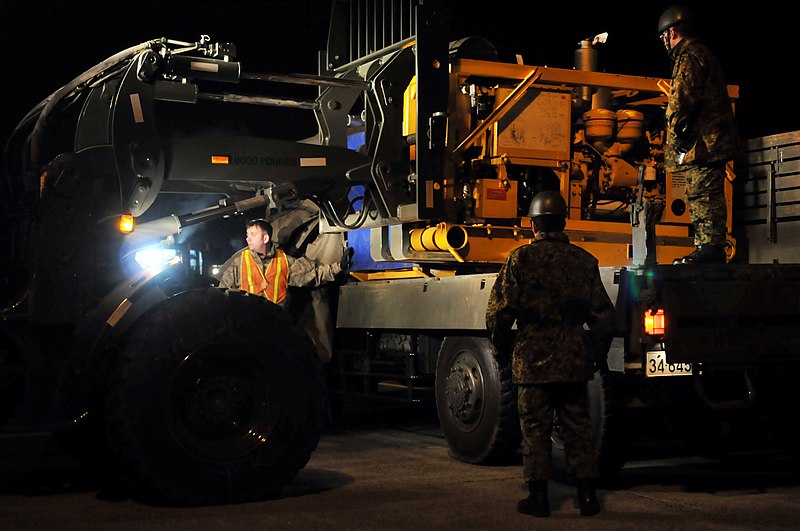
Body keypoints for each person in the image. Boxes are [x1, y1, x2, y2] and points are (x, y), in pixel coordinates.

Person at [485, 190, 615, 518]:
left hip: (531, 361)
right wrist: (596, 354)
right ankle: (588, 498)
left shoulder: (519, 259)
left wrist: (501, 349)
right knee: (578, 428)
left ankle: (539, 498)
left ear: (533, 226)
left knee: (535, 430)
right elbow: (602, 316)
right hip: (572, 360)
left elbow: (499, 313)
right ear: (563, 222)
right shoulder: (584, 261)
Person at [658, 5, 744, 264]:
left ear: (672, 32)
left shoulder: (688, 57)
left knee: (701, 193)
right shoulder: (703, 54)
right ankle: (710, 247)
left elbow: (681, 102)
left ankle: (709, 249)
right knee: (708, 194)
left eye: (663, 37)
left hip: (703, 144)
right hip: (712, 141)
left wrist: (678, 140)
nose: (663, 42)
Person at [217, 218, 350, 315]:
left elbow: (313, 275)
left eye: (252, 235)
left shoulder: (285, 261)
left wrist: (339, 267)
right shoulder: (240, 262)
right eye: (247, 235)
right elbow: (222, 292)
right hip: (247, 322)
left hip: (275, 324)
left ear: (265, 238)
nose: (248, 239)